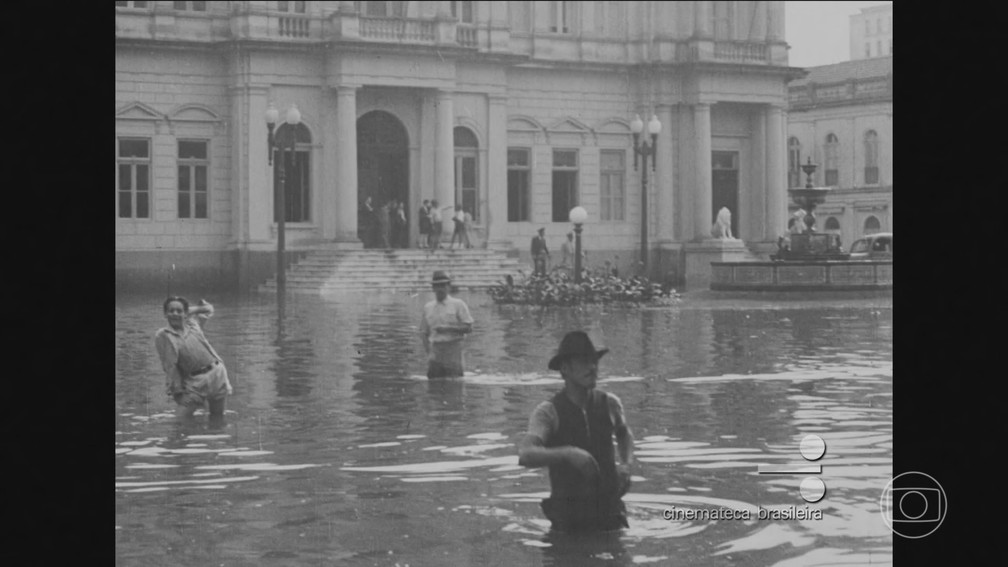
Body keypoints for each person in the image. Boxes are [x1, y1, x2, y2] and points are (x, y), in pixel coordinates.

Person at [518, 331, 634, 533]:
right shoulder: (548, 412)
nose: (592, 367)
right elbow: (526, 454)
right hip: (568, 521)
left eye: (594, 361)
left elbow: (624, 434)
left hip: (610, 515)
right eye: (583, 362)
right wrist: (567, 454)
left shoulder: (610, 404)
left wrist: (626, 465)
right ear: (564, 369)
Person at [155, 296, 234, 419]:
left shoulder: (193, 324)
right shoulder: (163, 335)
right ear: (165, 314)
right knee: (180, 422)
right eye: (171, 311)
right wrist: (178, 392)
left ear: (186, 313)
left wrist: (186, 311)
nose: (175, 314)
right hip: (195, 382)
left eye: (179, 311)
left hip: (217, 373)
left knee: (217, 418)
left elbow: (208, 309)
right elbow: (169, 365)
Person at [418, 271, 474, 378]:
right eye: (437, 286)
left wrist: (448, 328)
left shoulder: (458, 304)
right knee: (434, 384)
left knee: (454, 385)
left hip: (453, 349)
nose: (440, 289)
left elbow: (469, 328)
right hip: (436, 350)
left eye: (443, 285)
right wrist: (429, 352)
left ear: (449, 287)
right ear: (433, 288)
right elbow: (423, 332)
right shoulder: (428, 307)